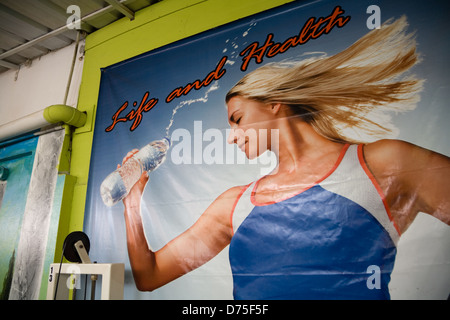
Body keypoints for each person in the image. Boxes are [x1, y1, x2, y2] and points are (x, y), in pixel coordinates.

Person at [120, 17, 450, 299]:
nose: (231, 135)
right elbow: (150, 277)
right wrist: (132, 202)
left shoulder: (383, 163)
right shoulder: (234, 205)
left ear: (274, 102)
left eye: (237, 118)